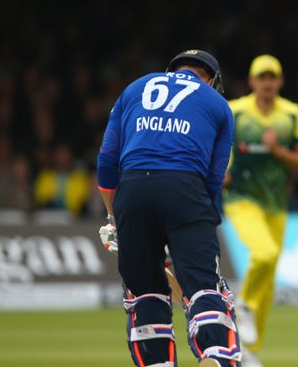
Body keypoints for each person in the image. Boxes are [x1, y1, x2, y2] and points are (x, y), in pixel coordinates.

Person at [96, 49, 241, 367]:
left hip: (132, 190)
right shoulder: (218, 104)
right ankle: (216, 353)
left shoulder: (136, 87)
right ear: (212, 80)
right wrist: (203, 227)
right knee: (205, 288)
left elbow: (107, 161)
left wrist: (112, 216)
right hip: (186, 189)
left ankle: (157, 362)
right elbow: (214, 180)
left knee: (145, 292)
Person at [223, 54, 298, 366]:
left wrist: (278, 151)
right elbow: (214, 145)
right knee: (263, 254)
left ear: (280, 81)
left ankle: (247, 351)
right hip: (240, 198)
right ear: (251, 82)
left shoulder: (290, 115)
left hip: (276, 204)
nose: (267, 83)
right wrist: (219, 169)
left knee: (269, 276)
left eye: (272, 77)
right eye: (261, 77)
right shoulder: (234, 111)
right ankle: (242, 305)